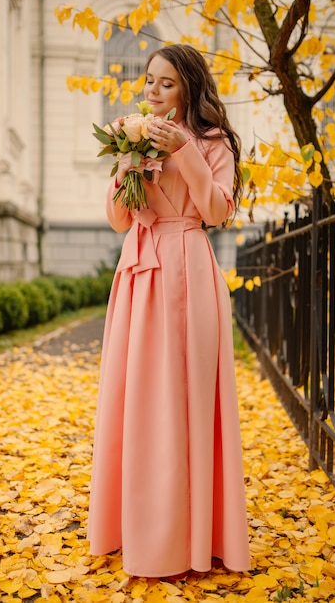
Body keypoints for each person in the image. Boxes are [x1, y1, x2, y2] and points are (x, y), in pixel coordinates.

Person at [87, 43, 250, 578]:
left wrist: (185, 151)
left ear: (189, 88)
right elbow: (118, 221)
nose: (153, 92)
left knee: (185, 399)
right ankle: (131, 528)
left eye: (166, 83)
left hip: (188, 271)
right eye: (148, 82)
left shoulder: (213, 141)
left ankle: (193, 537)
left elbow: (218, 210)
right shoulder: (134, 136)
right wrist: (127, 164)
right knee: (135, 399)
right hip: (137, 274)